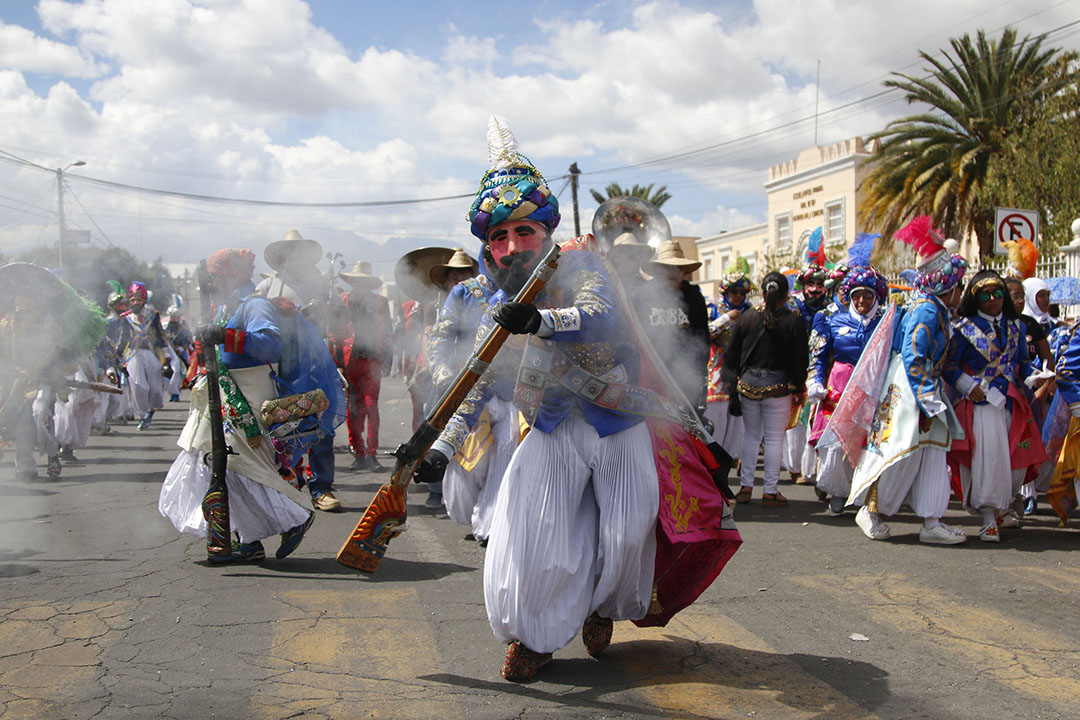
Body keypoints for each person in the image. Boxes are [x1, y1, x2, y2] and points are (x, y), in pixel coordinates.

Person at [417, 117, 659, 681]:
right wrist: (442, 448)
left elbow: (601, 317)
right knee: (534, 536)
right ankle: (535, 636)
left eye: (523, 231)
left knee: (627, 531)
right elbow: (473, 380)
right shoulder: (489, 299)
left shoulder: (582, 264)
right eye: (498, 237)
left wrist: (543, 320)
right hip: (551, 425)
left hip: (618, 418)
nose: (511, 246)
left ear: (544, 231)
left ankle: (603, 607)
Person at [159, 248, 344, 562]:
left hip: (248, 396)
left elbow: (268, 343)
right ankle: (249, 540)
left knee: (242, 468)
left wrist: (224, 336)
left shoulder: (254, 304)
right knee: (227, 468)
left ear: (231, 274)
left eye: (216, 276)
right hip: (231, 393)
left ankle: (295, 516)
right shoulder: (233, 305)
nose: (212, 282)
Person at [841, 216, 969, 545]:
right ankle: (870, 510)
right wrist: (926, 395)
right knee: (899, 448)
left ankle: (932, 521)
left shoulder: (936, 307)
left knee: (931, 451)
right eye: (960, 285)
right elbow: (914, 354)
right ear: (948, 286)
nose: (962, 292)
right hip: (911, 390)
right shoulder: (928, 309)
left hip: (923, 388)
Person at [944, 270, 1048, 541]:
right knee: (987, 461)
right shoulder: (963, 328)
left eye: (998, 293)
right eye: (986, 294)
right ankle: (989, 517)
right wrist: (967, 385)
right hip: (981, 403)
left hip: (1012, 402)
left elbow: (1022, 362)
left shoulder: (1018, 327)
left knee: (1016, 460)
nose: (993, 299)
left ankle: (1004, 505)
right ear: (975, 298)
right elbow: (949, 366)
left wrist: (1033, 375)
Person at [426, 247, 516, 534]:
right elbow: (440, 339)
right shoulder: (463, 292)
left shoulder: (525, 288)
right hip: (470, 388)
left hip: (513, 389)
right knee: (468, 465)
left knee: (508, 460)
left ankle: (494, 525)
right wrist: (445, 377)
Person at [255, 230, 343, 513]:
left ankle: (321, 487)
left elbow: (342, 319)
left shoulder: (321, 284)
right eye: (288, 252)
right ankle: (287, 482)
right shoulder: (268, 287)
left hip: (318, 361)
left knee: (321, 424)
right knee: (283, 424)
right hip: (283, 363)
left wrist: (327, 307)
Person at [807, 235, 888, 514]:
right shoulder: (831, 320)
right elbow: (817, 355)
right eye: (856, 295)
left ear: (877, 297)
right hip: (839, 389)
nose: (862, 300)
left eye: (868, 295)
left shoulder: (887, 322)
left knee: (870, 444)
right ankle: (837, 492)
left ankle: (866, 493)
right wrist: (816, 381)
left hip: (874, 387)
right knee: (836, 443)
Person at [724, 270, 809, 507]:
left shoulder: (747, 317)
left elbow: (732, 354)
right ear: (786, 294)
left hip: (748, 385)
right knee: (773, 439)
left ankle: (746, 487)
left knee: (751, 436)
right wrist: (799, 385)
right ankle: (770, 491)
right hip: (778, 388)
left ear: (762, 292)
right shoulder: (793, 320)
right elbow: (800, 359)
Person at [632, 240, 710, 420]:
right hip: (652, 375)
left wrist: (698, 374)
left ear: (684, 271)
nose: (673, 274)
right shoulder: (641, 296)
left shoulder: (694, 297)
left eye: (677, 269)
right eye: (668, 269)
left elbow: (702, 337)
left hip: (685, 375)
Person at [337, 261, 392, 473]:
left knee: (371, 406)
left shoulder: (380, 302)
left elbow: (388, 331)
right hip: (349, 361)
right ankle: (358, 452)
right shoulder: (342, 302)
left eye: (364, 281)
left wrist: (387, 359)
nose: (361, 285)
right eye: (357, 281)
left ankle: (371, 453)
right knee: (352, 408)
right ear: (351, 282)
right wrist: (338, 364)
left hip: (372, 360)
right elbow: (336, 333)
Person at [783, 249, 829, 485]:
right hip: (795, 364)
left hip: (822, 366)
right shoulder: (793, 307)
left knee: (815, 415)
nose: (815, 289)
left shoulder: (829, 309)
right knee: (795, 414)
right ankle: (793, 465)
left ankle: (809, 467)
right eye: (810, 283)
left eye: (819, 284)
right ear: (803, 285)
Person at [704, 258, 752, 459]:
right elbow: (705, 333)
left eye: (742, 292)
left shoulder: (750, 312)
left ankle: (729, 460)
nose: (739, 296)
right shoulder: (713, 309)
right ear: (726, 292)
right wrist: (725, 319)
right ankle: (711, 458)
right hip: (717, 371)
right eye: (735, 292)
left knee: (737, 422)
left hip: (742, 372)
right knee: (715, 419)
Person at [117, 281, 169, 430]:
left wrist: (166, 358)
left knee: (156, 388)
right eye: (132, 300)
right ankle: (143, 415)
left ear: (144, 300)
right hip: (133, 355)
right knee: (139, 386)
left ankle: (150, 411)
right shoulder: (125, 318)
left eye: (138, 300)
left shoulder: (153, 316)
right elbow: (123, 339)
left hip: (151, 354)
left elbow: (160, 336)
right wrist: (117, 358)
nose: (135, 303)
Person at [162, 301, 193, 403]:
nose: (174, 317)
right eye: (172, 315)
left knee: (177, 372)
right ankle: (171, 392)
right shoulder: (165, 326)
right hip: (167, 352)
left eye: (176, 315)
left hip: (180, 353)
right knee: (166, 373)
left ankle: (175, 393)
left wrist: (181, 348)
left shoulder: (182, 327)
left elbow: (188, 339)